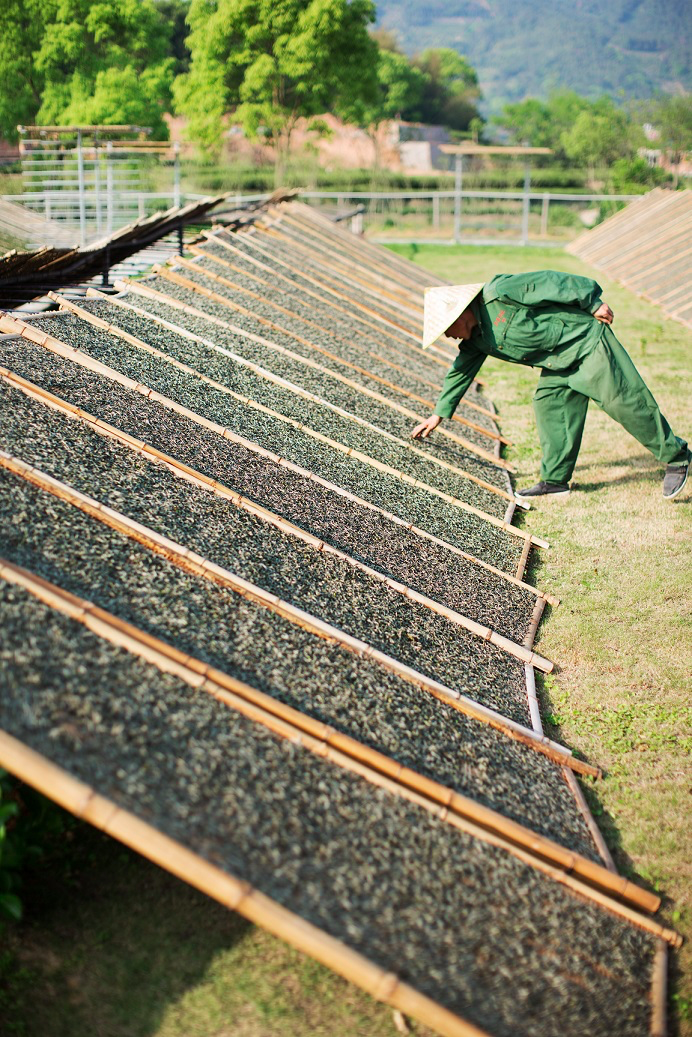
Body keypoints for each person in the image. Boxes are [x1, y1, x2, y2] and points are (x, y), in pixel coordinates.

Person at [411, 271, 689, 500]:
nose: (448, 336)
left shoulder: (500, 292)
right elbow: (460, 372)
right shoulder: (475, 341)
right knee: (550, 406)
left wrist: (593, 302)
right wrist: (438, 414)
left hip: (586, 343)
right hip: (558, 364)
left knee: (624, 403)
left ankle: (677, 457)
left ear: (459, 315)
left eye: (446, 330)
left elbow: (551, 282)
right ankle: (555, 480)